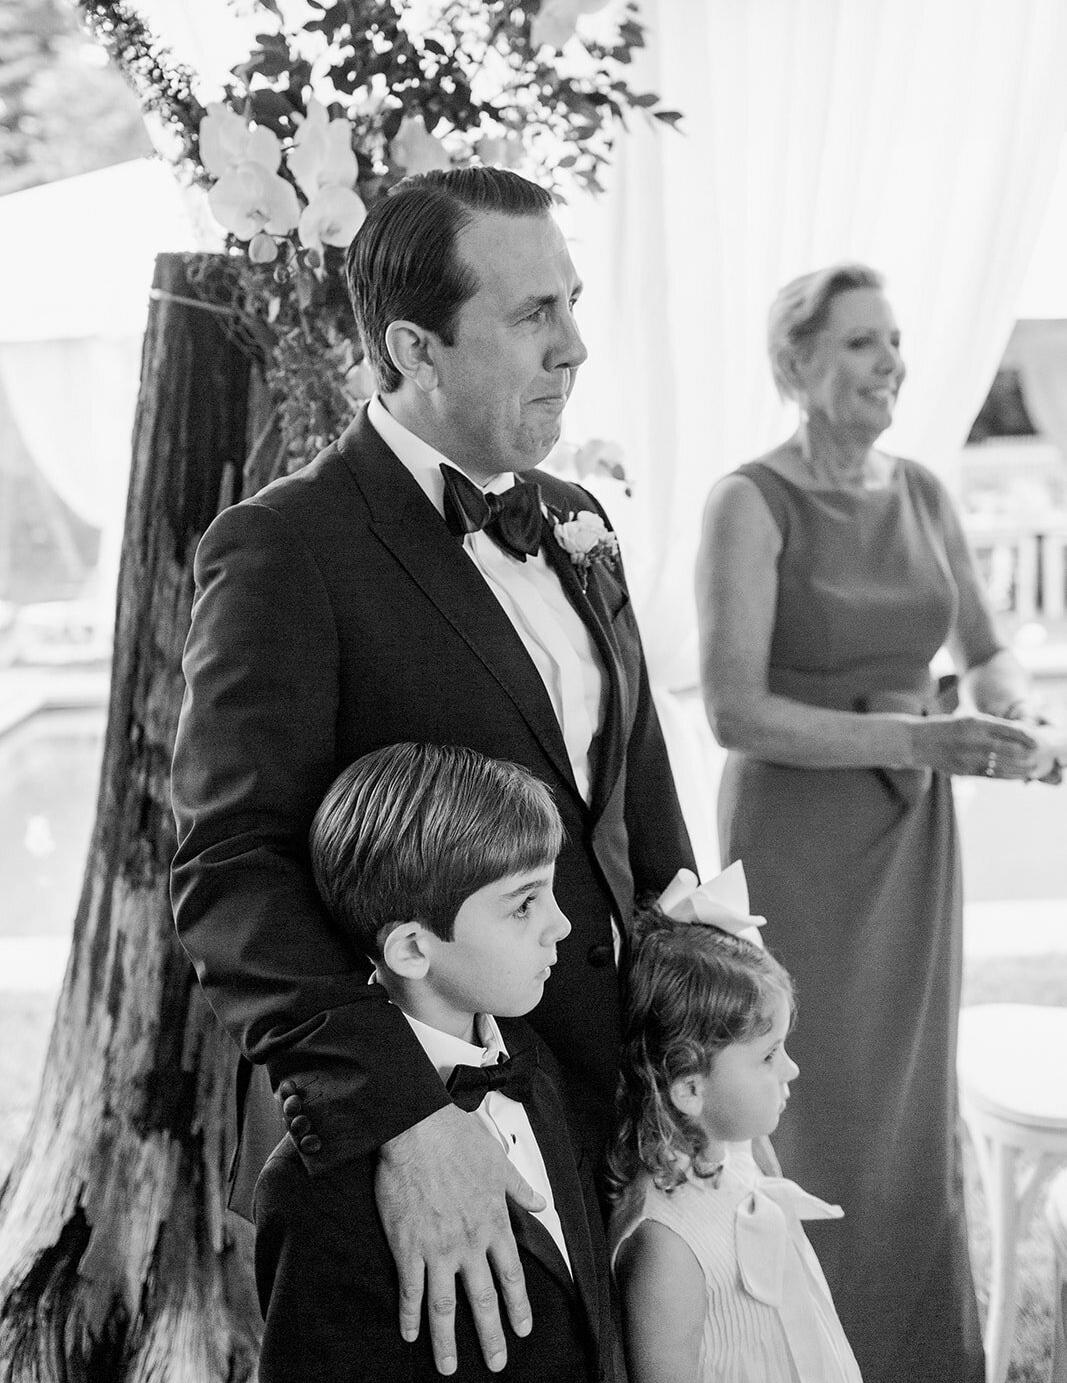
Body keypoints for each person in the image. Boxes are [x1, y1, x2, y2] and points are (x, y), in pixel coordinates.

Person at [170, 165, 694, 1375]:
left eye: (572, 302)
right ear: (410, 345)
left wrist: (690, 1030)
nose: (574, 347)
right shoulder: (284, 549)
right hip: (436, 1124)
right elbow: (230, 868)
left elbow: (634, 798)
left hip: (612, 1100)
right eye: (531, 317)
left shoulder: (575, 521)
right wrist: (405, 1114)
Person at [695, 261, 1059, 1383]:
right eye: (859, 342)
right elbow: (732, 706)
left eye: (892, 341)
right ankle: (796, 1355)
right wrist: (916, 740)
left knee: (907, 1114)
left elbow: (987, 650)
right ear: (793, 364)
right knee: (803, 1103)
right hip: (796, 840)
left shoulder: (922, 492)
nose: (888, 361)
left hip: (910, 840)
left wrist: (1014, 713)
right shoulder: (746, 500)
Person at [254, 742, 616, 1383]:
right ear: (414, 950)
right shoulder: (314, 1192)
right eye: (524, 903)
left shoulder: (533, 1062)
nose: (560, 924)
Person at [608, 897, 863, 1383]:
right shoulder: (668, 1249)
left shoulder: (743, 1149)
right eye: (769, 1056)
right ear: (690, 1088)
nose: (791, 1068)